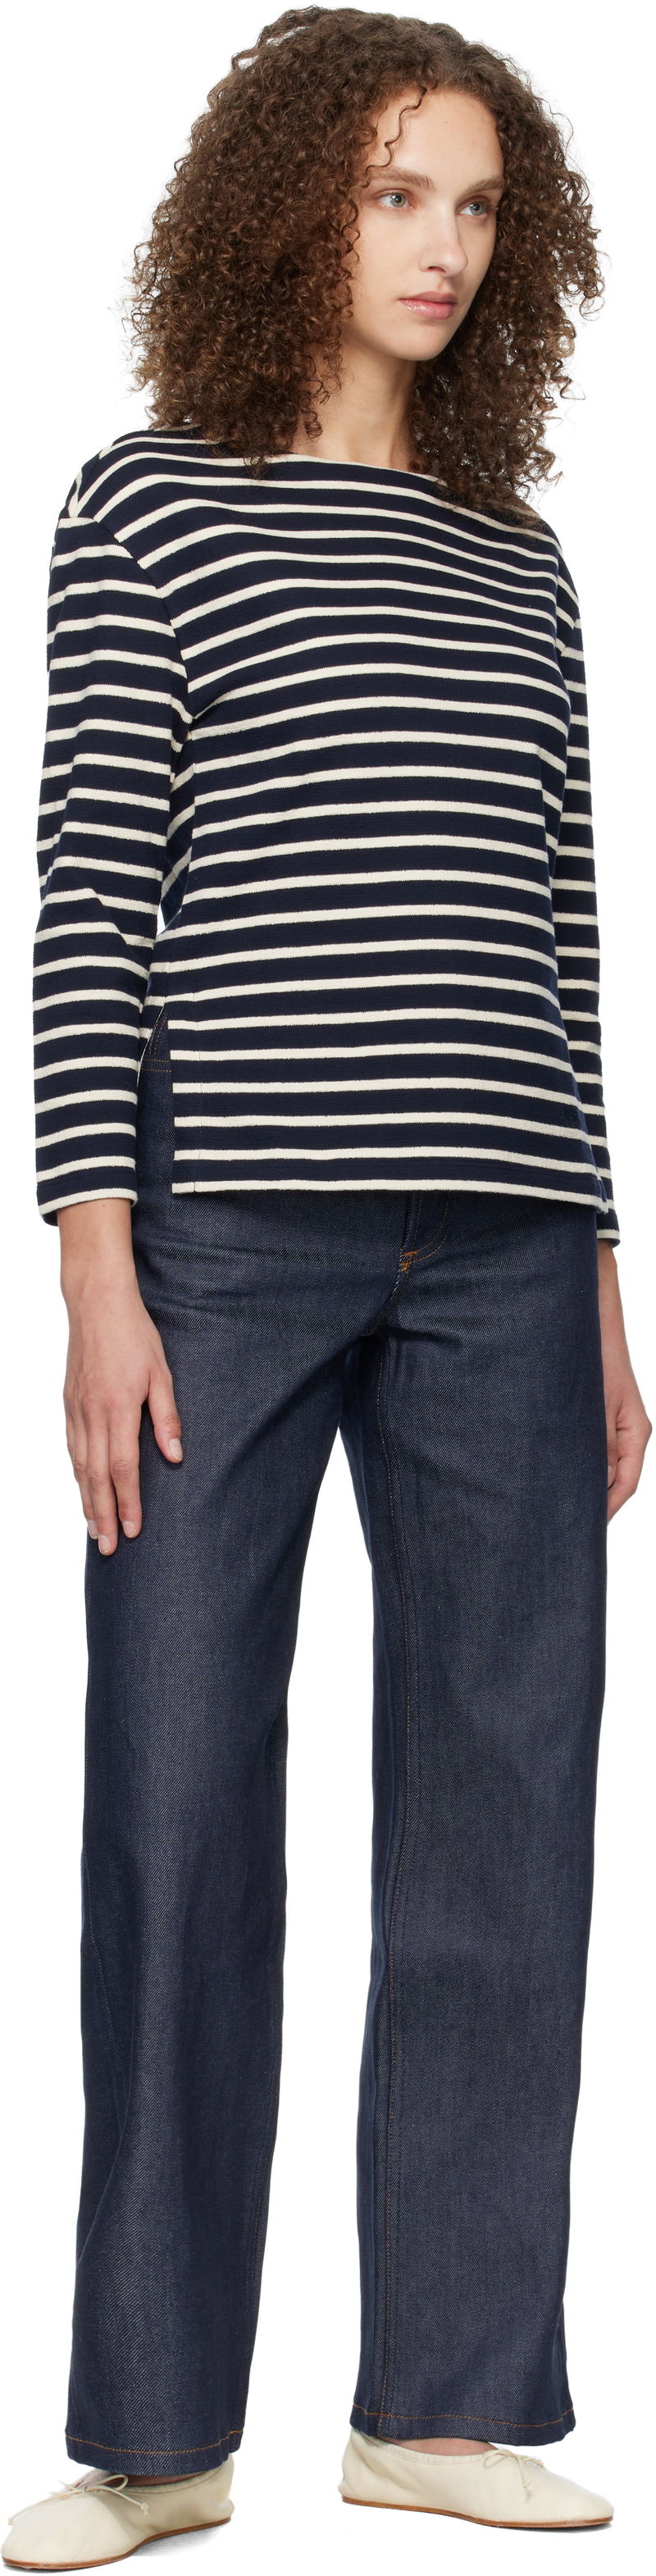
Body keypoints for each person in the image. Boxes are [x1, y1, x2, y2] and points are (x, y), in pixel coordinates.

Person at [4, 9, 651, 2558]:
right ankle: (157, 2431)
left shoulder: (522, 561)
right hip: (227, 1248)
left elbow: (559, 950)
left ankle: (446, 2405)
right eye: (397, 190)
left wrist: (600, 1284)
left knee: (508, 1808)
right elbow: (94, 898)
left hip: (508, 1253)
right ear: (291, 200)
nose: (441, 245)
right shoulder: (148, 507)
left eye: (479, 204)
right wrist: (94, 1264)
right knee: (178, 1805)